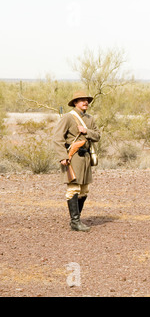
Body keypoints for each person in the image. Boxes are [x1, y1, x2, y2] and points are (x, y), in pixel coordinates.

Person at [53, 91, 101, 231]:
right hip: (72, 157)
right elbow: (57, 138)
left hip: (85, 158)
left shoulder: (90, 119)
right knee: (73, 188)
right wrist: (63, 156)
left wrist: (86, 131)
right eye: (81, 100)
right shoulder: (68, 117)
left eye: (86, 100)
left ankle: (76, 219)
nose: (85, 102)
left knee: (84, 190)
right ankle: (75, 221)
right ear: (75, 102)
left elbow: (97, 135)